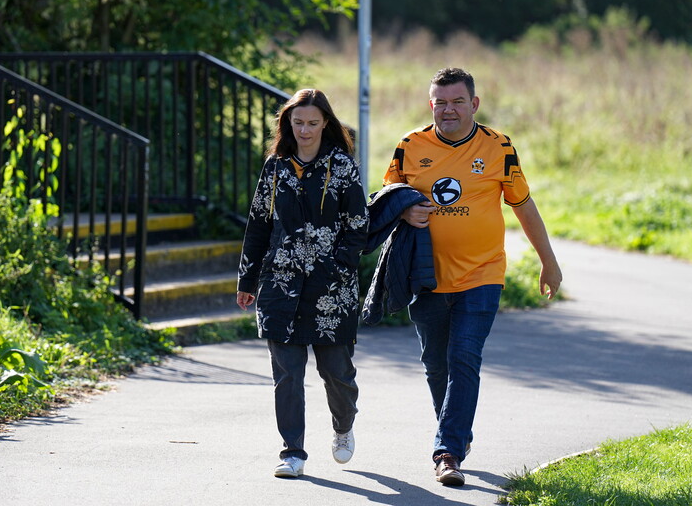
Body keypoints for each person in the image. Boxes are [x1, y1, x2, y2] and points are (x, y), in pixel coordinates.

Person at [380, 67, 562, 487]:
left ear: (474, 104)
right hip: (425, 277)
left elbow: (523, 204)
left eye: (457, 101)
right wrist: (405, 210)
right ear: (431, 105)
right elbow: (385, 201)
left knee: (464, 356)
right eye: (440, 102)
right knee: (435, 365)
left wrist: (548, 262)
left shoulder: (499, 147)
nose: (448, 109)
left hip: (483, 273)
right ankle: (456, 431)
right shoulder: (409, 146)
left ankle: (447, 451)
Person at [236, 88, 369, 479]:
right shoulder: (274, 167)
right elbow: (258, 224)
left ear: (325, 122)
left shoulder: (342, 166)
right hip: (279, 285)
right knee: (287, 375)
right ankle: (292, 452)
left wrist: (336, 265)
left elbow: (358, 226)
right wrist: (248, 278)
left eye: (313, 122)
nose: (305, 130)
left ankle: (343, 426)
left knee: (336, 373)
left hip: (332, 289)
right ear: (287, 123)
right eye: (298, 122)